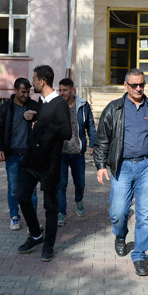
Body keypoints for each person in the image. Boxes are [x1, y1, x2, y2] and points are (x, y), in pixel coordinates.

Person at [94, 68, 148, 277]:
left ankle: (139, 255)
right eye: (134, 85)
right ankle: (120, 236)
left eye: (142, 85)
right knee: (119, 212)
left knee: (145, 215)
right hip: (122, 166)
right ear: (126, 86)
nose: (139, 89)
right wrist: (101, 165)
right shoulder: (114, 109)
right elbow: (102, 141)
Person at [15, 65, 72, 262]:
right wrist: (33, 116)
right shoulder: (41, 101)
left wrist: (44, 124)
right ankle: (36, 235)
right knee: (21, 195)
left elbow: (67, 132)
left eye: (34, 79)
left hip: (50, 164)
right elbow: (45, 121)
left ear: (42, 82)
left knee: (50, 206)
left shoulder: (60, 104)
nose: (32, 83)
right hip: (32, 161)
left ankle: (48, 246)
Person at [0, 77, 39, 231]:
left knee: (31, 190)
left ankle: (32, 219)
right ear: (15, 91)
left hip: (30, 155)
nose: (26, 95)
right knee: (13, 188)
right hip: (12, 156)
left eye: (28, 92)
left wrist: (36, 117)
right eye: (23, 92)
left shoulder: (33, 106)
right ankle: (14, 217)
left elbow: (45, 119)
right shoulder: (4, 109)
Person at [56, 78, 96, 226]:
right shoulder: (56, 105)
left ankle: (79, 200)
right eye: (59, 90)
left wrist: (92, 142)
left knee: (80, 183)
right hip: (60, 153)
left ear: (73, 90)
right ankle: (61, 212)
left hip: (77, 152)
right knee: (61, 184)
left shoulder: (83, 105)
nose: (61, 93)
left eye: (64, 90)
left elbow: (90, 125)